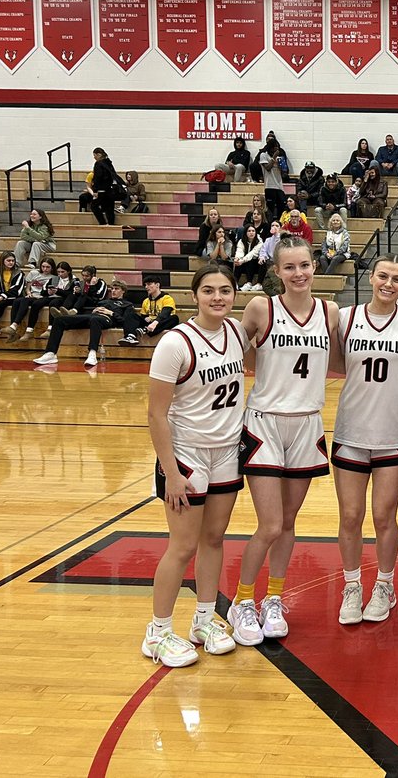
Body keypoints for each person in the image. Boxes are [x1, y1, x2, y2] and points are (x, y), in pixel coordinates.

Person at [227, 235, 340, 646]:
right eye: (289, 267)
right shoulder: (261, 308)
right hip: (264, 423)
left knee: (289, 523)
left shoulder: (330, 312)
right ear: (276, 272)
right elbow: (233, 352)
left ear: (315, 267)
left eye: (304, 265)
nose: (298, 273)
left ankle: (273, 597)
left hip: (308, 424)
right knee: (270, 523)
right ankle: (242, 601)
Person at [142, 265, 247, 667]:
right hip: (186, 456)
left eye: (224, 290)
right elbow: (156, 415)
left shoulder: (236, 333)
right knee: (183, 546)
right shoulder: (175, 343)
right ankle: (158, 632)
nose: (217, 297)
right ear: (194, 295)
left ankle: (203, 620)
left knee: (215, 539)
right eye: (208, 290)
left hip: (225, 453)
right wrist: (171, 473)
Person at [330, 255, 398, 625]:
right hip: (351, 429)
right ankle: (352, 585)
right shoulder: (345, 318)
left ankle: (385, 585)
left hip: (394, 432)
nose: (389, 283)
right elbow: (338, 363)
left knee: (384, 516)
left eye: (397, 278)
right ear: (371, 277)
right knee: (350, 515)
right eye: (383, 275)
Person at [33, 279, 134, 368]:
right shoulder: (104, 302)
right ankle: (50, 353)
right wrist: (94, 310)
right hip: (92, 317)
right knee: (59, 320)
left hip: (107, 319)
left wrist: (110, 313)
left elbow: (125, 321)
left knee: (95, 320)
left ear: (123, 291)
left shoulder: (127, 304)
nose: (113, 291)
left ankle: (92, 353)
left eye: (116, 289)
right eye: (112, 289)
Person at [4, 257, 62, 342]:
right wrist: (28, 293)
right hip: (32, 295)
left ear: (52, 267)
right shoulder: (34, 273)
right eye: (43, 266)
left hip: (41, 297)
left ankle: (15, 325)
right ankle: (13, 329)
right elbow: (28, 287)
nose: (45, 269)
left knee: (24, 301)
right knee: (16, 301)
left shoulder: (54, 277)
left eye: (47, 267)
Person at [118, 276, 179, 346]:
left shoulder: (167, 298)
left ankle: (145, 330)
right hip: (149, 324)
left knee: (174, 318)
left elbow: (165, 313)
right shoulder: (146, 301)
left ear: (157, 285)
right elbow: (144, 317)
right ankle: (130, 336)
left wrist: (154, 322)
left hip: (162, 323)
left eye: (149, 284)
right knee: (131, 315)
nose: (146, 287)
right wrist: (146, 319)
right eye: (145, 285)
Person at [88, 147, 120, 226]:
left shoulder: (98, 164)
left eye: (94, 155)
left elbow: (97, 178)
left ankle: (103, 223)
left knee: (94, 206)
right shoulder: (109, 163)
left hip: (102, 190)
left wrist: (95, 190)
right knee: (109, 208)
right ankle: (111, 225)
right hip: (110, 189)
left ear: (99, 154)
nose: (94, 157)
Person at [260, 138, 288, 217]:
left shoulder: (279, 158)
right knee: (270, 209)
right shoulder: (264, 155)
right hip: (269, 185)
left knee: (282, 207)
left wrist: (282, 167)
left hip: (279, 186)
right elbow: (268, 168)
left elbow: (284, 173)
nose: (276, 149)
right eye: (274, 147)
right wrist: (273, 158)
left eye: (277, 147)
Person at [234, 225, 266, 291]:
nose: (251, 233)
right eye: (249, 231)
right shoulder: (241, 241)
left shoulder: (260, 241)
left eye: (253, 231)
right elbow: (240, 251)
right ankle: (235, 283)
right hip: (245, 264)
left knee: (254, 260)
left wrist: (242, 261)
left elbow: (253, 253)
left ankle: (252, 283)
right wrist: (237, 258)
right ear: (245, 232)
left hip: (256, 265)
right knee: (237, 262)